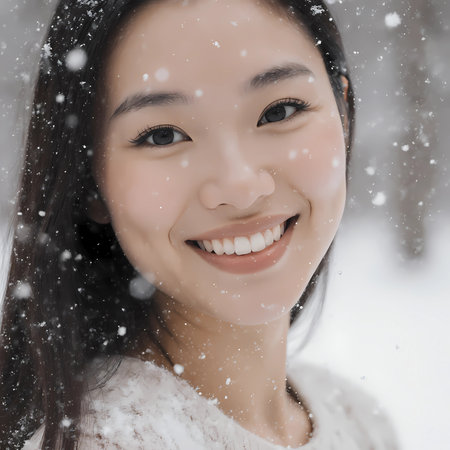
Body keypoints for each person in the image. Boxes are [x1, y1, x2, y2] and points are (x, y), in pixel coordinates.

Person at [0, 0, 399, 448]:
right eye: (163, 135)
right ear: (91, 182)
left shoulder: (359, 420)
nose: (239, 186)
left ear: (342, 112)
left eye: (279, 111)